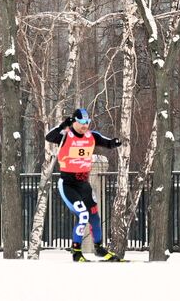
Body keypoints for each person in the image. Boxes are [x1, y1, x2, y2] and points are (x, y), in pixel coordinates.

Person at [46, 107, 123, 261]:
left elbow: (106, 142)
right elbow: (49, 136)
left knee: (94, 214)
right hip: (68, 184)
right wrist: (63, 125)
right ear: (73, 122)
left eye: (86, 122)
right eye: (80, 122)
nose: (84, 126)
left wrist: (114, 143)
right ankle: (76, 251)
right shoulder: (65, 136)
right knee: (83, 215)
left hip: (84, 184)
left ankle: (99, 248)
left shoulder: (91, 136)